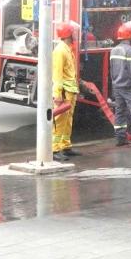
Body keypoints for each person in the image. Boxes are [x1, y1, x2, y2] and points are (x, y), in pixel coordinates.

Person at [52, 20, 80, 162]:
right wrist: (57, 94)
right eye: (73, 32)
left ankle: (65, 146)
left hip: (70, 91)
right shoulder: (60, 51)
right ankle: (55, 149)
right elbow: (57, 75)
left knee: (68, 120)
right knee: (60, 120)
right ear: (68, 34)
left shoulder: (67, 48)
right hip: (64, 92)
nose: (76, 34)